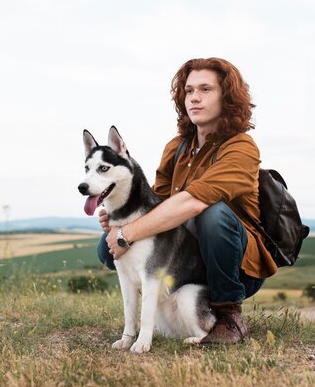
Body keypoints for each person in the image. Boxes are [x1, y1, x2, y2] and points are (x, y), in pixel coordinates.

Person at [98, 57, 278, 344]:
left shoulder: (242, 147)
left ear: (227, 97)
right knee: (105, 247)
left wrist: (127, 234)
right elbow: (155, 204)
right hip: (188, 259)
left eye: (206, 90)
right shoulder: (177, 147)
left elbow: (194, 202)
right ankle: (167, 310)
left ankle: (229, 317)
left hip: (235, 264)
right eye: (189, 90)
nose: (194, 98)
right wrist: (119, 219)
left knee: (212, 214)